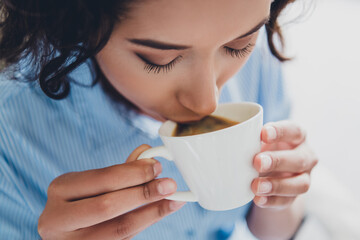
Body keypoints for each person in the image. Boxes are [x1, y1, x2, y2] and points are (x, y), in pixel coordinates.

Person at [0, 0, 318, 239]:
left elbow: (275, 230)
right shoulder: (12, 137)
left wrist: (279, 193)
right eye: (160, 60)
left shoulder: (258, 61)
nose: (208, 101)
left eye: (238, 45)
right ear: (78, 22)